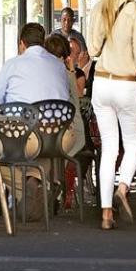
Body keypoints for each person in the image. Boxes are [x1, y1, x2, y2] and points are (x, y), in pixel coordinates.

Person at [87, 0, 136, 230]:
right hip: (126, 85)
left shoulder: (99, 8)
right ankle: (123, 188)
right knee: (134, 144)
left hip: (101, 85)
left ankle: (105, 214)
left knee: (109, 150)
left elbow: (91, 50)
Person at [0, 23, 69, 219]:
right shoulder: (58, 65)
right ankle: (37, 185)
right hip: (59, 136)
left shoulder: (13, 64)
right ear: (43, 41)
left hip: (26, 136)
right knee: (40, 159)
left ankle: (31, 188)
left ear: (22, 44)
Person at [44, 34, 86, 210]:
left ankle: (50, 187)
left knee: (47, 150)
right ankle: (52, 187)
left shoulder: (62, 75)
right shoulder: (66, 73)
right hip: (69, 131)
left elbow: (74, 100)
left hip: (71, 132)